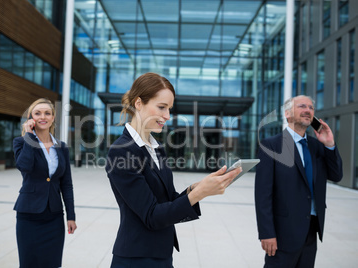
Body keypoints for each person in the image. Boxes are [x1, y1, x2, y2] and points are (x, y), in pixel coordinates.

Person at [105, 72, 242, 268]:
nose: (167, 116)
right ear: (138, 103)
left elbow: (166, 201)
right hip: (136, 258)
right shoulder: (121, 152)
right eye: (161, 107)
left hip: (161, 254)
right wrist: (200, 193)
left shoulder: (156, 147)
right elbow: (152, 215)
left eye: (169, 108)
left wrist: (197, 188)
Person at [254, 95, 343, 267]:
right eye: (302, 106)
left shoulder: (317, 146)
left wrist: (330, 144)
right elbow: (263, 194)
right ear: (287, 114)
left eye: (311, 108)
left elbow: (336, 175)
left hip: (310, 232)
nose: (308, 110)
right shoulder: (271, 145)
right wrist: (266, 233)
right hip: (282, 234)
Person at [13, 98, 77, 268]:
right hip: (29, 216)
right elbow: (24, 167)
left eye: (47, 113)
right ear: (31, 118)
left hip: (54, 217)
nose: (43, 117)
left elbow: (66, 184)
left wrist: (71, 216)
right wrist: (29, 136)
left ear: (53, 117)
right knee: (28, 263)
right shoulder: (21, 142)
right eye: (38, 113)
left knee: (52, 263)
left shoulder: (61, 147)